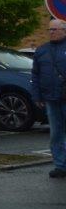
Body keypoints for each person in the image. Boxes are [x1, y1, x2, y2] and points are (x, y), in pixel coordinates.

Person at [30, 18, 66, 179]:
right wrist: (36, 95)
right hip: (51, 98)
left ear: (64, 30)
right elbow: (35, 75)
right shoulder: (42, 50)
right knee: (56, 133)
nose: (51, 32)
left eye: (55, 29)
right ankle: (60, 165)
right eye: (49, 30)